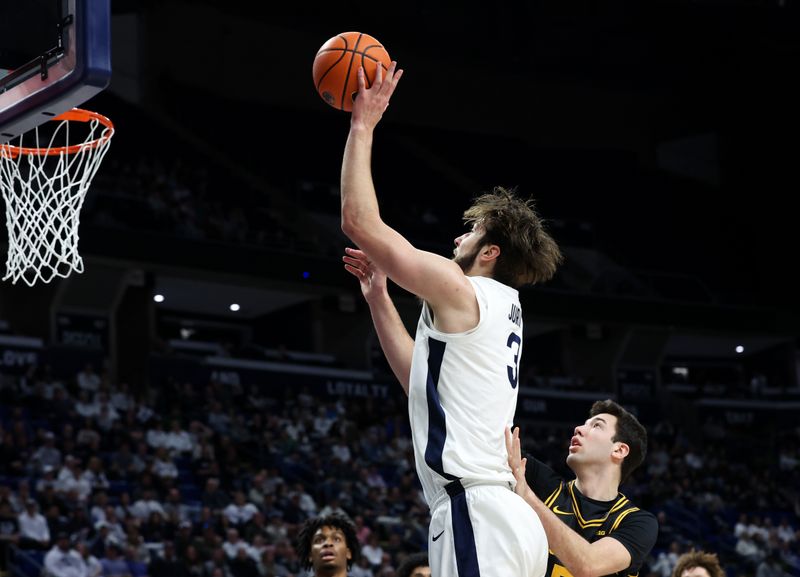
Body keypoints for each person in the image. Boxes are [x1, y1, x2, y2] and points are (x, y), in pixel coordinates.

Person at [340, 60, 562, 577]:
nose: (457, 239)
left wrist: (362, 125)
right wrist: (378, 297)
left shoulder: (461, 288)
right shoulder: (503, 308)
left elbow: (358, 221)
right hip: (508, 519)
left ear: (490, 251)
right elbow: (420, 378)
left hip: (476, 512)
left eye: (470, 233)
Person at [506, 399, 658, 577]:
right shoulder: (545, 486)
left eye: (596, 426)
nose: (578, 428)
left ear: (619, 450)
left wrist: (529, 497)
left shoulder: (638, 522)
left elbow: (588, 565)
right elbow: (488, 438)